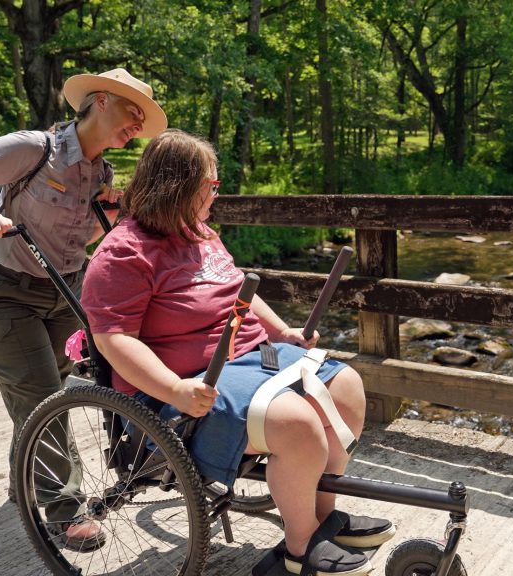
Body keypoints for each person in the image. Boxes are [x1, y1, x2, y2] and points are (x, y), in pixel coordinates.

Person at [80, 130, 396, 575]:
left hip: (250, 359)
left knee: (346, 387)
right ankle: (299, 549)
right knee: (298, 424)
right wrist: (175, 389)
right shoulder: (122, 254)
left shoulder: (198, 232)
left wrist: (283, 331)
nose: (215, 194)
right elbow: (115, 340)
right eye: (210, 186)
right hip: (184, 389)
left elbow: (236, 290)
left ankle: (323, 517)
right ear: (178, 188)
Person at [0, 68, 167, 550]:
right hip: (2, 292)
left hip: (63, 293)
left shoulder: (101, 171)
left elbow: (78, 241)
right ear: (101, 101)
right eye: (132, 112)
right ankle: (67, 512)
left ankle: (24, 477)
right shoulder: (31, 148)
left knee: (44, 394)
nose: (137, 124)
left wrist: (109, 210)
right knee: (45, 397)